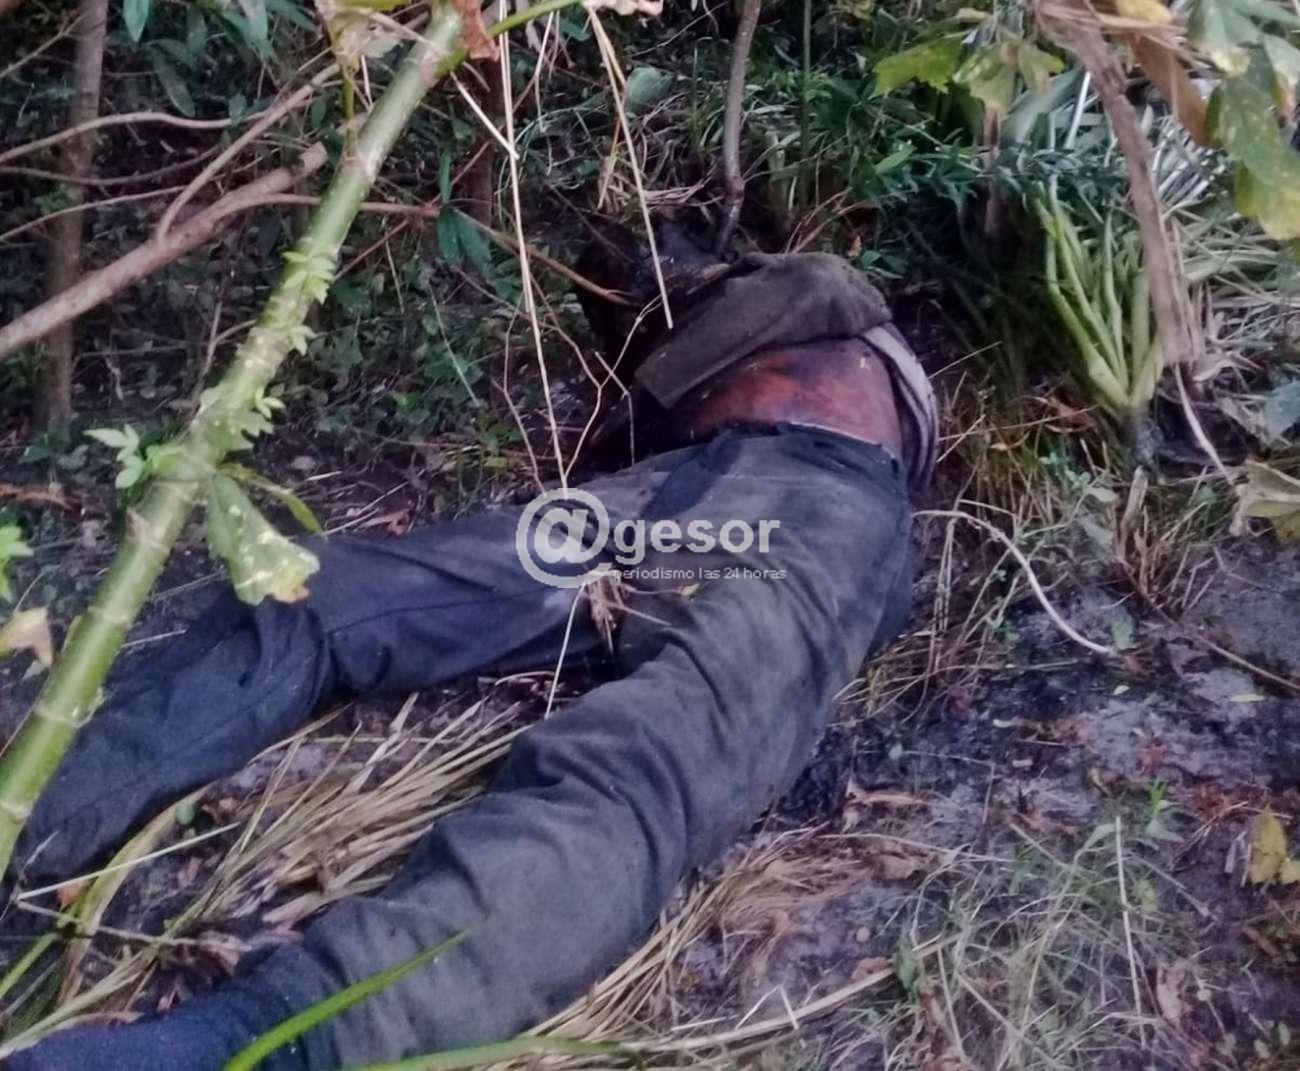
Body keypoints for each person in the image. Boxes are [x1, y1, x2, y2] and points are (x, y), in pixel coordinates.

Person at [1, 221, 937, 1070]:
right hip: (659, 494)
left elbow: (802, 290)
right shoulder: (722, 368)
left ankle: (270, 1039)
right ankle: (31, 813)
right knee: (320, 593)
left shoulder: (837, 314)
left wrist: (683, 312)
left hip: (816, 507)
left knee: (645, 770)